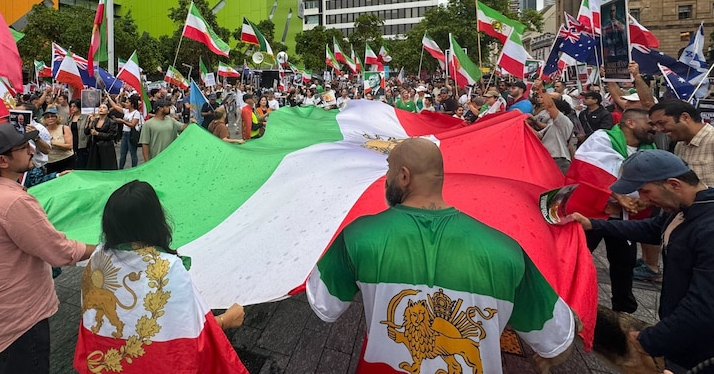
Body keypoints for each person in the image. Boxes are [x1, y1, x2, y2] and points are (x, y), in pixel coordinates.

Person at [306, 138, 575, 373]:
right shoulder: (508, 251)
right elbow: (555, 340)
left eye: (388, 170)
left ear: (404, 176)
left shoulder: (357, 235)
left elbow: (325, 304)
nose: (386, 179)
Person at [0, 124, 95, 372]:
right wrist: (103, 247)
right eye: (23, 147)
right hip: (16, 324)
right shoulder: (13, 201)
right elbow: (60, 252)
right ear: (2, 161)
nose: (32, 150)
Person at [74, 180, 247, 373]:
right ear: (155, 221)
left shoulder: (96, 258)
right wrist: (226, 319)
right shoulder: (168, 268)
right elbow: (191, 339)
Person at [570, 150, 714, 373]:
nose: (643, 200)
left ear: (674, 184)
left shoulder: (708, 227)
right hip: (678, 332)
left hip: (698, 346)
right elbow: (652, 229)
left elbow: (705, 304)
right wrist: (594, 224)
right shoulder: (682, 208)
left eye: (645, 191)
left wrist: (653, 340)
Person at [566, 108, 656, 313]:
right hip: (594, 213)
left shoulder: (651, 149)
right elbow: (586, 171)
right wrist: (619, 197)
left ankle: (624, 311)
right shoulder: (601, 139)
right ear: (630, 123)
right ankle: (568, 304)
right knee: (577, 259)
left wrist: (642, 202)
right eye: (649, 123)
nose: (654, 128)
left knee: (624, 264)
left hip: (626, 218)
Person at [139, 97, 191, 162]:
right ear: (160, 108)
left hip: (171, 158)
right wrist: (147, 162)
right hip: (156, 160)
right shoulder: (148, 124)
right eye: (167, 106)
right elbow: (145, 144)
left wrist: (190, 122)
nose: (169, 108)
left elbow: (183, 127)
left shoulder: (171, 120)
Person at [108, 93, 143, 169]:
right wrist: (108, 97)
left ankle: (134, 169)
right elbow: (115, 106)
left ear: (132, 104)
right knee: (122, 153)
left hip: (131, 134)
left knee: (133, 153)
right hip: (125, 134)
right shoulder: (126, 111)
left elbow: (133, 125)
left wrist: (122, 121)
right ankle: (121, 169)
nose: (125, 104)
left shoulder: (136, 113)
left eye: (127, 103)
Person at [41, 105, 75, 174]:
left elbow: (69, 146)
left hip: (66, 159)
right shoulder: (43, 131)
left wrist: (52, 142)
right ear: (44, 119)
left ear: (57, 117)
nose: (50, 118)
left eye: (52, 116)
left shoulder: (64, 128)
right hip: (51, 162)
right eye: (47, 117)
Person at [86, 104, 120, 170]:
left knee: (106, 166)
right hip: (95, 147)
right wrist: (90, 122)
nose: (101, 109)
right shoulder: (95, 120)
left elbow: (111, 135)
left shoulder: (111, 122)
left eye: (104, 107)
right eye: (100, 107)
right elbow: (86, 132)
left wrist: (98, 133)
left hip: (106, 148)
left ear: (108, 111)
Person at [69, 99, 90, 169]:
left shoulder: (86, 117)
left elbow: (87, 130)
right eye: (71, 106)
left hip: (82, 142)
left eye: (74, 106)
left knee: (82, 161)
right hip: (72, 141)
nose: (72, 108)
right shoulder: (70, 118)